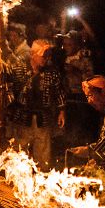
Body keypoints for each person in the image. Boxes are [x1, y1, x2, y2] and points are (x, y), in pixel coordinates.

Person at [6, 39, 66, 168]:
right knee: (20, 151)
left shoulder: (52, 72)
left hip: (43, 117)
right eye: (44, 56)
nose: (47, 58)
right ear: (33, 54)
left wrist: (62, 111)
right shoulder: (18, 68)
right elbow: (10, 90)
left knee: (43, 152)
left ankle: (42, 176)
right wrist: (10, 110)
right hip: (22, 117)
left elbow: (59, 91)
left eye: (49, 55)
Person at [68, 75, 105, 208]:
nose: (89, 101)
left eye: (91, 95)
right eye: (87, 97)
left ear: (103, 93)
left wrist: (89, 151)